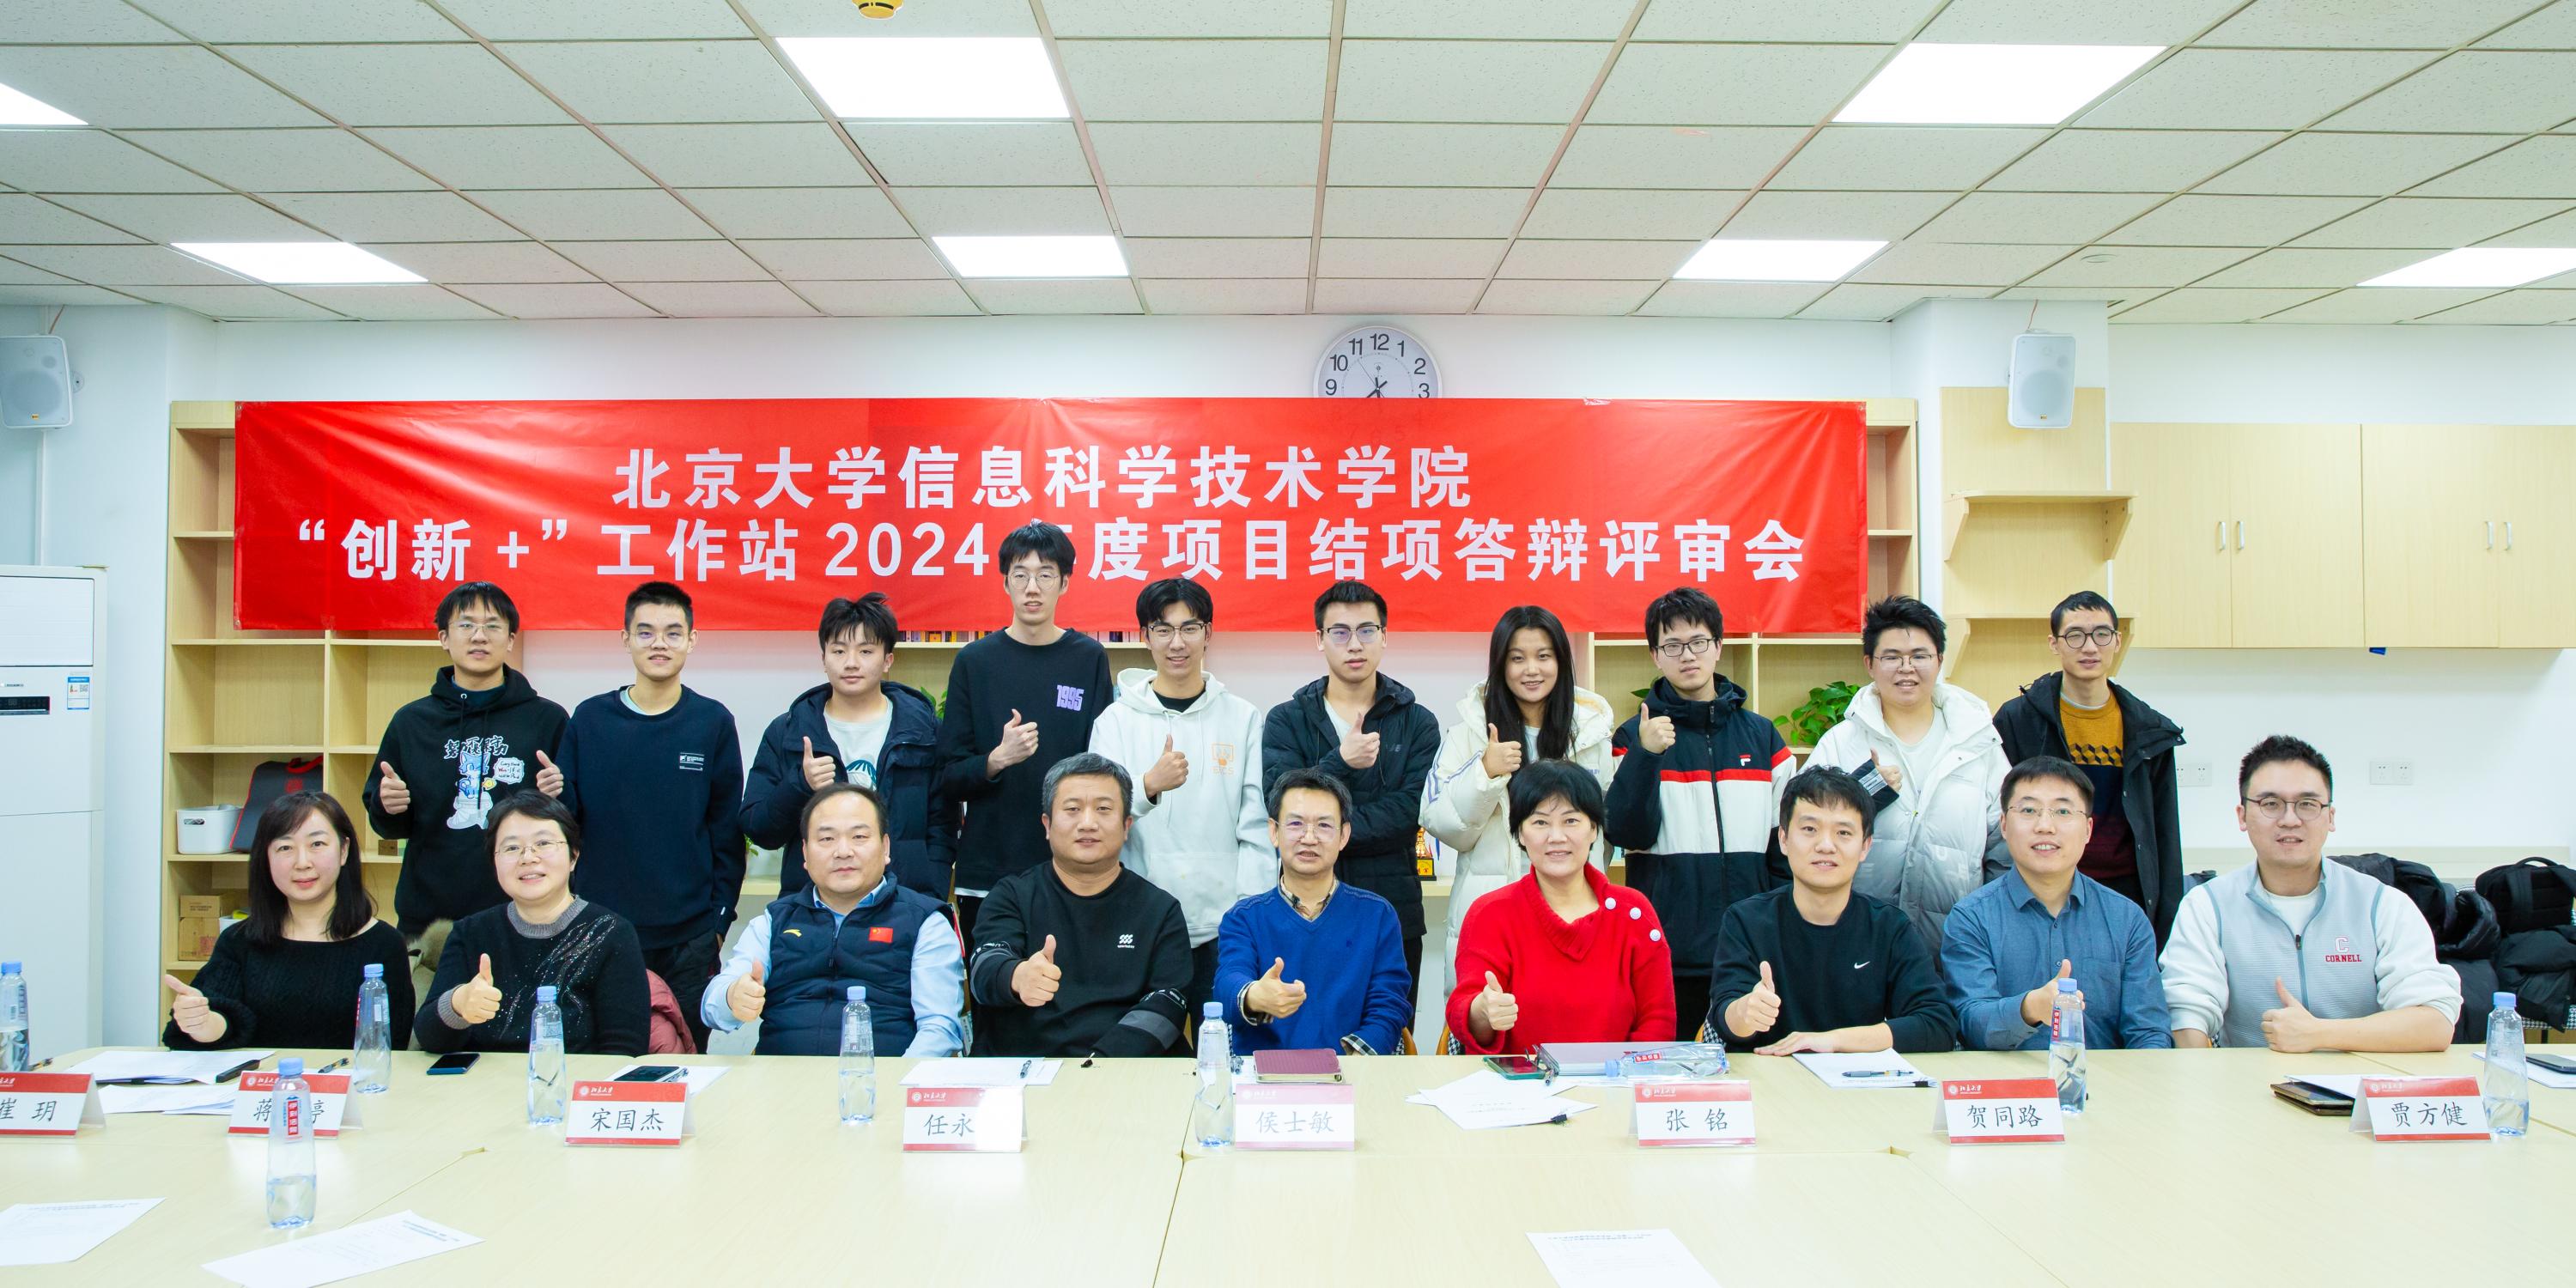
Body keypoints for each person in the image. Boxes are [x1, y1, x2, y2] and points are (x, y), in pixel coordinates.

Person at [2160, 736, 2461, 1052]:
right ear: (2242, 816)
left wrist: (2319, 1034)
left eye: (2307, 804)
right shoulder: (2208, 906)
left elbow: (2434, 1022)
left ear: (2330, 817)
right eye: (2270, 804)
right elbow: (2186, 1019)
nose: (2290, 820)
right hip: (2247, 1079)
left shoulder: (2382, 904)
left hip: (2360, 1080)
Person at [555, 580, 744, 1052]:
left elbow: (726, 833)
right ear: (625, 639)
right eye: (646, 632)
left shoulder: (712, 722)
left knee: (685, 1061)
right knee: (601, 1060)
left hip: (689, 939)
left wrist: (718, 924)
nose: (660, 643)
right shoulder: (589, 720)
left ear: (691, 640)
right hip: (601, 930)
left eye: (673, 632)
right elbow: (565, 824)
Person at [362, 581, 570, 995]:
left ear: (510, 639)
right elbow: (386, 824)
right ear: (444, 638)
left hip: (524, 914)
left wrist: (560, 794)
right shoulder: (411, 722)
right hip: (430, 921)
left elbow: (571, 823)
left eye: (493, 626)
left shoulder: (547, 720)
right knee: (427, 1026)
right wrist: (389, 805)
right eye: (466, 625)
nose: (479, 636)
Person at [1606, 586, 1795, 1039]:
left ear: (1718, 646)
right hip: (1669, 951)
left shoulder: (1762, 737)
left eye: (1698, 642)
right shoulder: (1635, 736)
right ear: (1656, 656)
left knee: (1755, 1071)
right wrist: (1646, 755)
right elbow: (1627, 832)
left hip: (1752, 950)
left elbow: (1786, 848)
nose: (1687, 656)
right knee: (1670, 1069)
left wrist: (1775, 926)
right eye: (1672, 646)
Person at [1087, 578, 1273, 1013]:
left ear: (1208, 634)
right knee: (1144, 1046)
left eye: (1190, 628)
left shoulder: (1243, 717)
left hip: (1224, 927)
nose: (1177, 643)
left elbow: (1256, 826)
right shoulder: (1115, 721)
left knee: (1222, 1042)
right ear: (1144, 636)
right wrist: (1147, 785)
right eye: (1163, 629)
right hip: (1139, 919)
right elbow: (1097, 816)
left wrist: (1247, 913)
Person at [1421, 605, 1616, 995]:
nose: (1532, 670)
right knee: (1492, 1017)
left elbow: (1605, 829)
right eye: (1517, 658)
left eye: (1544, 656)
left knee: (1575, 1014)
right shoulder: (1469, 732)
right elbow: (1439, 821)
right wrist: (1485, 773)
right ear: (1500, 664)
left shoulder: (1592, 733)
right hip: (1496, 912)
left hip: (1574, 911)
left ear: (1561, 661)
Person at [1259, 580, 1441, 993]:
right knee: (1300, 1024)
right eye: (1339, 632)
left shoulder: (1417, 722)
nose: (1354, 645)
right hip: (1302, 910)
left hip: (1393, 912)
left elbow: (1409, 814)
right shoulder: (1287, 719)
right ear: (1319, 639)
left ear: (1384, 636)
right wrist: (1340, 761)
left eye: (1366, 631)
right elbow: (1280, 804)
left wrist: (1319, 828)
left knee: (1390, 1026)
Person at [937, 522, 1115, 940]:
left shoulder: (1088, 658)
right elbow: (948, 775)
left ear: (1064, 583)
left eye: (1045, 575)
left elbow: (1103, 765)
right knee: (992, 978)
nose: (1032, 588)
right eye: (1021, 575)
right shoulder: (974, 661)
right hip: (990, 869)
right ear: (1006, 583)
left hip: (1071, 866)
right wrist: (997, 760)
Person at [702, 783, 964, 1058]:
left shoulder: (924, 922)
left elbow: (939, 1029)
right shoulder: (775, 920)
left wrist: (895, 1080)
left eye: (859, 836)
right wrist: (733, 997)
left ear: (885, 847)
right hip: (780, 1078)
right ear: (805, 853)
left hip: (884, 1077)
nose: (843, 851)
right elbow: (712, 1008)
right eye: (827, 839)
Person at [1807, 595, 2005, 960]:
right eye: (1892, 657)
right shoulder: (1841, 742)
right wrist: (1865, 788)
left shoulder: (1979, 742)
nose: (1906, 668)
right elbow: (1805, 826)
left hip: (1957, 942)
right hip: (1855, 938)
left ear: (1939, 660)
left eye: (1919, 656)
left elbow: (2004, 844)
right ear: (1869, 664)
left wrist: (1988, 926)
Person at [1708, 768, 1957, 1055]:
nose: (1826, 846)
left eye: (1843, 833)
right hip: (1768, 1077)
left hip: (1860, 1081)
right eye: (1810, 829)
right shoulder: (1746, 921)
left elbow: (1937, 1024)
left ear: (1865, 847)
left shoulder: (1889, 927)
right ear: (1784, 839)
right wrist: (1746, 1012)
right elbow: (1726, 1018)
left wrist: (1833, 1041)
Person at [1990, 591, 2187, 946]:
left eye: (2101, 634)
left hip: (2126, 894)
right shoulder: (2018, 721)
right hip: (2040, 888)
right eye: (2075, 636)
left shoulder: (2149, 730)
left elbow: (2165, 836)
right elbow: (1999, 815)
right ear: (2054, 643)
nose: (2090, 647)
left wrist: (2168, 926)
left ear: (2117, 641)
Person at [966, 754, 1192, 1058]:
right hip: (1027, 1067)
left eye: (1103, 809)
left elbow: (1167, 1004)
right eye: (1072, 809)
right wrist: (1016, 975)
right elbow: (984, 969)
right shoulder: (1011, 895)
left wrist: (1101, 1064)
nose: (1088, 823)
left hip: (1123, 1068)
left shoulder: (1160, 909)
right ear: (1047, 824)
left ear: (1126, 826)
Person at [1445, 761, 1675, 1055]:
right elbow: (1465, 1011)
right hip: (1523, 1081)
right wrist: (1483, 1011)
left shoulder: (1633, 912)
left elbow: (1658, 1021)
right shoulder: (1490, 914)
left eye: (1571, 821)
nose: (1556, 837)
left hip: (1617, 1080)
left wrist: (1622, 1077)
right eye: (1540, 822)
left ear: (1594, 830)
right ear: (1520, 834)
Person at [1941, 757, 2171, 1051]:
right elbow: (1971, 1024)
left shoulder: (2127, 919)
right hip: (2006, 1080)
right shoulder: (1971, 918)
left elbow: (2149, 1032)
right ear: (2004, 825)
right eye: (2028, 810)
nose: (2045, 826)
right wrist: (2030, 1008)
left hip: (2105, 1078)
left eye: (2063, 811)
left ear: (2088, 829)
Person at [742, 592, 957, 901]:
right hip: (814, 908)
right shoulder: (789, 732)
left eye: (866, 651)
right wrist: (799, 785)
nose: (851, 663)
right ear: (824, 659)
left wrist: (929, 895)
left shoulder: (924, 732)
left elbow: (944, 826)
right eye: (839, 651)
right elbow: (759, 829)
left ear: (888, 660)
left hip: (905, 904)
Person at [163, 792, 414, 1051]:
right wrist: (202, 1023)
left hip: (349, 1078)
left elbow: (393, 1044)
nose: (302, 863)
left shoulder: (384, 944)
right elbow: (219, 1016)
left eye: (317, 844)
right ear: (266, 858)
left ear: (343, 850)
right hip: (260, 1078)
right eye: (285, 848)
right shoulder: (239, 941)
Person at [412, 791, 650, 1057]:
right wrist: (458, 1005)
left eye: (544, 843)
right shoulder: (470, 933)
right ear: (494, 861)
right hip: (483, 1081)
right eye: (512, 848)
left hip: (574, 1080)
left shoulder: (611, 933)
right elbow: (428, 1039)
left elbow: (625, 1050)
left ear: (573, 856)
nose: (528, 857)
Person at [1214, 769, 1413, 1056]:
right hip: (1265, 1074)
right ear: (1274, 831)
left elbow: (1389, 1004)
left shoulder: (1377, 915)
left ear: (1344, 835)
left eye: (1324, 826)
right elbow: (1228, 983)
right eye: (1296, 824)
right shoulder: (1244, 918)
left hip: (1351, 1070)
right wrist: (1255, 995)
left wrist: (1351, 1062)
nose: (1309, 837)